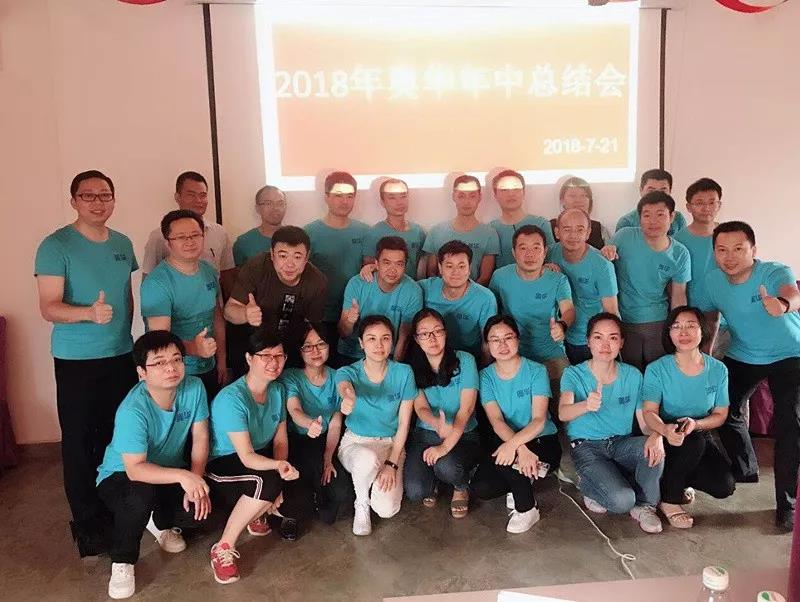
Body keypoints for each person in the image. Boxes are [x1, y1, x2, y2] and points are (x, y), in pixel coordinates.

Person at [35, 170, 139, 557]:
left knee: (118, 437)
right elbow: (48, 307)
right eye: (88, 195)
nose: (98, 202)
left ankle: (119, 512)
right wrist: (87, 314)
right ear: (74, 201)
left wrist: (126, 338)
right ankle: (88, 525)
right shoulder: (55, 245)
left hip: (120, 355)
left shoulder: (123, 243)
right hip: (76, 359)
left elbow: (126, 298)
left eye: (105, 195)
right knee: (80, 443)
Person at [697, 221, 800, 532]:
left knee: (790, 426)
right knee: (723, 408)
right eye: (722, 250)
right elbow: (710, 318)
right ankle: (746, 469)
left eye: (738, 249)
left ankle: (787, 505)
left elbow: (792, 293)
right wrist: (705, 356)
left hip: (790, 354)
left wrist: (783, 305)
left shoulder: (772, 272)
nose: (730, 257)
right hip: (744, 353)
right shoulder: (713, 281)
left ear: (753, 250)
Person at [96, 331, 211, 599]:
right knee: (140, 494)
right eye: (159, 362)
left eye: (177, 359)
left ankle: (158, 522)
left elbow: (201, 437)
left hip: (167, 472)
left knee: (197, 513)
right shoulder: (133, 410)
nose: (171, 368)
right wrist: (184, 476)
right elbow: (135, 469)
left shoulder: (194, 388)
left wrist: (195, 481)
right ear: (141, 372)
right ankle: (122, 561)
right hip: (121, 477)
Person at [206, 329, 305, 584]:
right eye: (265, 356)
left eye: (279, 356)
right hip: (224, 462)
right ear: (249, 358)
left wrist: (282, 470)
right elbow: (247, 456)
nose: (274, 362)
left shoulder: (278, 390)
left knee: (297, 501)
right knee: (268, 482)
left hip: (259, 459)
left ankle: (257, 512)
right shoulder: (232, 398)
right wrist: (278, 474)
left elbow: (280, 441)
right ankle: (223, 547)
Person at [558, 312, 665, 534]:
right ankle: (587, 483)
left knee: (654, 449)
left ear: (621, 343)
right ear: (588, 342)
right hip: (587, 447)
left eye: (613, 338)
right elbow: (563, 413)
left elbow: (643, 421)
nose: (605, 345)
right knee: (622, 501)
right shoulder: (573, 374)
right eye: (598, 337)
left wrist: (656, 435)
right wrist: (586, 405)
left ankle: (645, 506)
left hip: (621, 443)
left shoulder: (633, 375)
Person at [642, 307, 735, 529]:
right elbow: (649, 412)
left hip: (698, 432)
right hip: (666, 435)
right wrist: (664, 430)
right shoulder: (657, 369)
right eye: (676, 327)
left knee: (724, 485)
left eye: (691, 326)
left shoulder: (718, 370)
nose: (683, 332)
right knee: (693, 442)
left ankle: (674, 481)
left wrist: (697, 424)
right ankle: (669, 500)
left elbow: (720, 414)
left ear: (703, 331)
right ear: (669, 333)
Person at [471, 315, 562, 534]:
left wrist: (514, 447)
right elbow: (496, 421)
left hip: (541, 439)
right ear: (487, 344)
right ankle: (521, 477)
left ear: (518, 339)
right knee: (482, 487)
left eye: (508, 337)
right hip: (507, 437)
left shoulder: (536, 371)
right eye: (495, 340)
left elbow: (539, 420)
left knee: (505, 463)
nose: (502, 345)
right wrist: (520, 449)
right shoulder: (485, 377)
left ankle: (527, 508)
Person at [336, 315, 417, 535]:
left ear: (393, 342)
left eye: (385, 338)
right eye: (371, 338)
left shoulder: (404, 373)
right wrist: (348, 397)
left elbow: (404, 424)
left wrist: (391, 464)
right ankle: (361, 503)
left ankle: (369, 480)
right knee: (367, 460)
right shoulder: (348, 372)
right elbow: (344, 386)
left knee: (386, 510)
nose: (379, 345)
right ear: (361, 343)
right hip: (356, 443)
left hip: (390, 445)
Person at [403, 309, 481, 518]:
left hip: (464, 434)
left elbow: (466, 409)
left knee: (447, 466)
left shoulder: (465, 360)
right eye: (424, 333)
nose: (432, 338)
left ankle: (461, 485)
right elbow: (421, 408)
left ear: (446, 333)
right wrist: (437, 423)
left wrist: (444, 446)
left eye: (437, 331)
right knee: (416, 491)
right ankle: (434, 479)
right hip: (425, 435)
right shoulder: (411, 368)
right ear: (416, 339)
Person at [141, 210, 226, 399]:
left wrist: (222, 360)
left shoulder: (208, 271)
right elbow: (160, 340)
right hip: (175, 373)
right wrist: (194, 348)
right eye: (181, 237)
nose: (190, 241)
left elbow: (217, 318)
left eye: (195, 235)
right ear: (168, 243)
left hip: (210, 366)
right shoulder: (157, 283)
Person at [601, 191, 691, 370]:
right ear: (639, 217)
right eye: (647, 215)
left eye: (660, 215)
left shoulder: (680, 253)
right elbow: (604, 261)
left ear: (672, 216)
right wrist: (606, 252)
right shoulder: (624, 236)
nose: (653, 221)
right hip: (624, 321)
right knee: (629, 373)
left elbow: (679, 297)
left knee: (657, 373)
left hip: (658, 322)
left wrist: (678, 329)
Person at [224, 226, 327, 374]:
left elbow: (312, 325)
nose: (290, 264)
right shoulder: (256, 268)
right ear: (272, 254)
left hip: (288, 347)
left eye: (297, 257)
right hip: (252, 345)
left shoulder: (317, 282)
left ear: (306, 257)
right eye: (283, 256)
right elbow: (229, 311)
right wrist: (245, 314)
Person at [489, 225, 575, 390]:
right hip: (513, 355)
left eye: (536, 248)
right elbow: (492, 315)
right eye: (523, 248)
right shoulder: (500, 277)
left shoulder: (558, 279)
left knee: (566, 398)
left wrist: (562, 325)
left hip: (551, 353)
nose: (530, 254)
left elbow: (569, 310)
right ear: (514, 252)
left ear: (545, 251)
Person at [283, 322, 351, 525]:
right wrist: (309, 423)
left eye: (321, 344)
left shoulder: (338, 376)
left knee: (340, 490)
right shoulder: (291, 376)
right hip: (297, 440)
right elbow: (294, 410)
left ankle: (320, 500)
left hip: (328, 439)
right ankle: (293, 512)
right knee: (310, 468)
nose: (315, 351)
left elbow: (336, 423)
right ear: (299, 350)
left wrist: (328, 458)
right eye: (308, 346)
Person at [304, 171, 369, 364]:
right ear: (326, 197)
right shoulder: (309, 232)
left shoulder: (364, 231)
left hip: (354, 314)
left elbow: (369, 269)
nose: (344, 201)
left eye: (349, 196)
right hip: (320, 315)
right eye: (338, 195)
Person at [142, 171, 235, 294]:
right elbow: (148, 279)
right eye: (191, 195)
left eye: (203, 195)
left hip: (212, 301)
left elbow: (227, 275)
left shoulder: (219, 232)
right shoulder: (160, 236)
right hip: (175, 303)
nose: (198, 200)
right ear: (177, 197)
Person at [550, 208, 619, 364]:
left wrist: (608, 345)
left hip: (590, 341)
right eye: (567, 229)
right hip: (558, 337)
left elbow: (612, 312)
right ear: (557, 232)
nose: (573, 235)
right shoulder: (549, 254)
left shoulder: (602, 265)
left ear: (588, 233)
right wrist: (544, 268)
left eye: (580, 230)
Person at [338, 236, 423, 363]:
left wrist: (394, 368)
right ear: (376, 264)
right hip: (353, 353)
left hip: (387, 355)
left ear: (405, 266)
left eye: (399, 264)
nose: (392, 270)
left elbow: (404, 339)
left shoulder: (413, 291)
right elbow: (343, 332)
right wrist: (350, 321)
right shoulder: (357, 283)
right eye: (387, 263)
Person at [418, 241, 497, 362]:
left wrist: (483, 369)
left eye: (461, 266)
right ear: (440, 268)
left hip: (468, 358)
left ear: (469, 268)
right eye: (449, 266)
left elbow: (488, 341)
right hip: (429, 357)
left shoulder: (485, 298)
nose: (456, 272)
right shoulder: (425, 288)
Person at [423, 174, 500, 285]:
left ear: (479, 197)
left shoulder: (489, 233)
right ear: (453, 196)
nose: (467, 202)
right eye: (461, 196)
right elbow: (431, 272)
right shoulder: (436, 232)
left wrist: (467, 293)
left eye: (472, 196)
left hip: (475, 293)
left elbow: (485, 277)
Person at [672, 178, 723, 309]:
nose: (706, 208)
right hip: (692, 312)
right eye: (699, 203)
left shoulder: (728, 236)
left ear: (719, 205)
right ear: (689, 207)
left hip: (725, 309)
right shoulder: (677, 241)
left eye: (712, 202)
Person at [489, 169, 554, 268]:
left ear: (523, 192)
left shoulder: (541, 224)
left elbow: (552, 261)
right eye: (504, 190)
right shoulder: (491, 229)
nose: (511, 194)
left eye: (516, 189)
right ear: (495, 195)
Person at [363, 178, 426, 279]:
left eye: (403, 196)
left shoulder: (418, 231)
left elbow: (422, 265)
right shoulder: (374, 234)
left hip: (412, 286)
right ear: (382, 202)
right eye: (392, 198)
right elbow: (369, 270)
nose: (399, 202)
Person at [614, 169, 687, 236]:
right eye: (651, 191)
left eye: (663, 191)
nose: (657, 195)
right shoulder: (627, 222)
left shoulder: (678, 219)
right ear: (641, 190)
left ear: (670, 192)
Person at [549, 176, 611, 249]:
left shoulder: (600, 229)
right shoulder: (549, 227)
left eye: (584, 195)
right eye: (572, 196)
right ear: (562, 200)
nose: (578, 200)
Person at [232, 185, 287, 268]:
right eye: (268, 203)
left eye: (280, 203)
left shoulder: (297, 239)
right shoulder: (243, 242)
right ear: (257, 208)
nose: (275, 208)